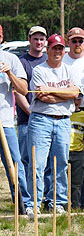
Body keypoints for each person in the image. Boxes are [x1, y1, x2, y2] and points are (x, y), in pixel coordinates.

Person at [26, 34, 79, 217]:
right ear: (47, 50)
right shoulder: (40, 70)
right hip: (41, 119)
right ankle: (34, 203)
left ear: (64, 51)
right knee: (38, 163)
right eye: (54, 48)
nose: (57, 51)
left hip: (64, 120)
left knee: (61, 163)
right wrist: (63, 94)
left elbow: (74, 92)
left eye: (60, 48)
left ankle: (58, 202)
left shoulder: (69, 69)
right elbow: (42, 96)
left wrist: (53, 91)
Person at [15, 26, 47, 194]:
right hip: (27, 120)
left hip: (47, 119)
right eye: (36, 39)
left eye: (42, 39)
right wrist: (31, 111)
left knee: (45, 162)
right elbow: (19, 92)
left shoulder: (50, 60)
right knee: (27, 159)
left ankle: (45, 197)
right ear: (29, 40)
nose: (39, 42)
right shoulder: (22, 61)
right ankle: (28, 198)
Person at [0, 35, 29, 213]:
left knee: (15, 164)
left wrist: (10, 73)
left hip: (5, 122)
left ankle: (23, 205)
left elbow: (24, 89)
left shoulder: (11, 59)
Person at [68, 94, 84, 209]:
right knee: (62, 179)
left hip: (78, 153)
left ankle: (76, 205)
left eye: (79, 99)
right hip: (64, 152)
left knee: (77, 182)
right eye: (73, 98)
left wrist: (83, 150)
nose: (76, 101)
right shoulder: (64, 114)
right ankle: (63, 204)